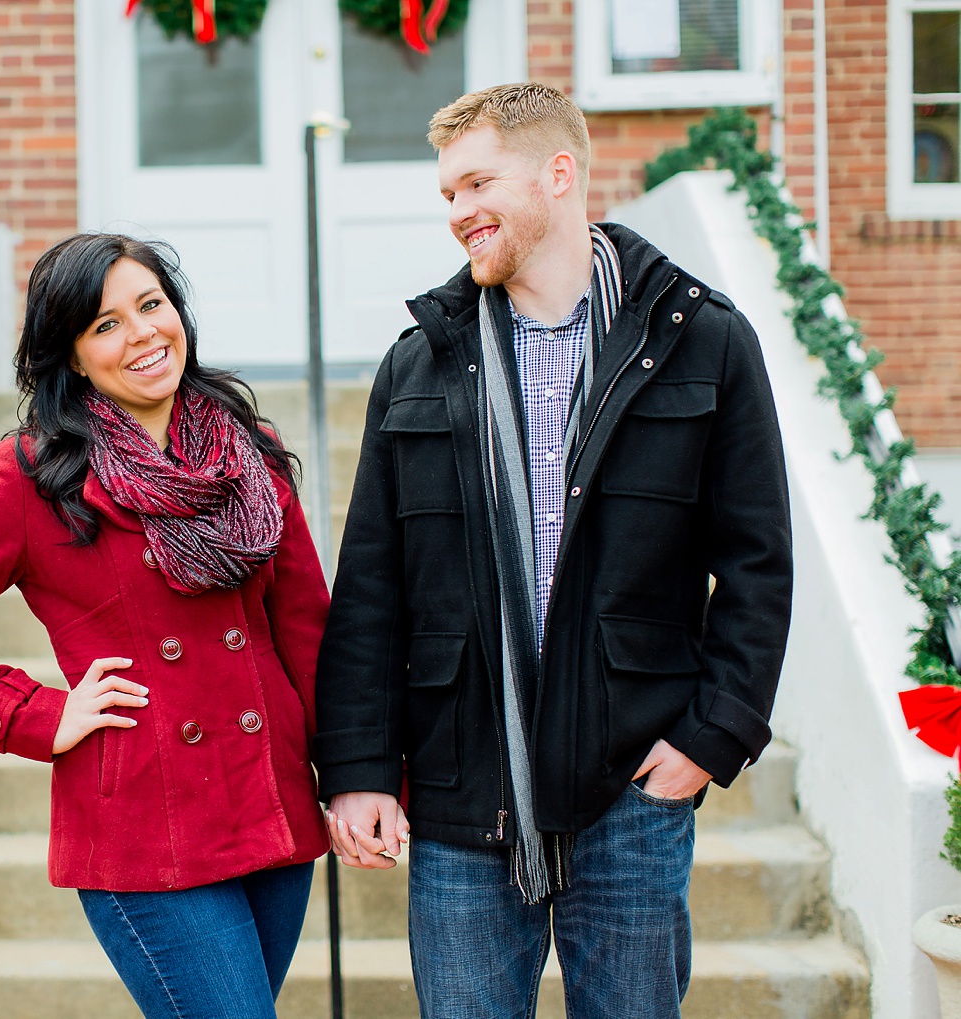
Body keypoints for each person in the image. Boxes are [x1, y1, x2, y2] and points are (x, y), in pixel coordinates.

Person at [313, 82, 793, 1019]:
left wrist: (711, 736)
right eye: (447, 193)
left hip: (632, 786)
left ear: (559, 173)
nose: (457, 213)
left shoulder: (703, 343)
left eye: (477, 183)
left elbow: (758, 566)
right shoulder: (420, 361)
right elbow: (373, 584)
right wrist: (360, 766)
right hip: (460, 792)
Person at [0, 232, 331, 1019]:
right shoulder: (34, 476)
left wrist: (358, 771)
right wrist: (43, 715)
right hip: (145, 830)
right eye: (106, 325)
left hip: (272, 804)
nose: (142, 334)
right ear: (74, 356)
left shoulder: (247, 451)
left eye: (151, 305)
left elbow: (307, 628)